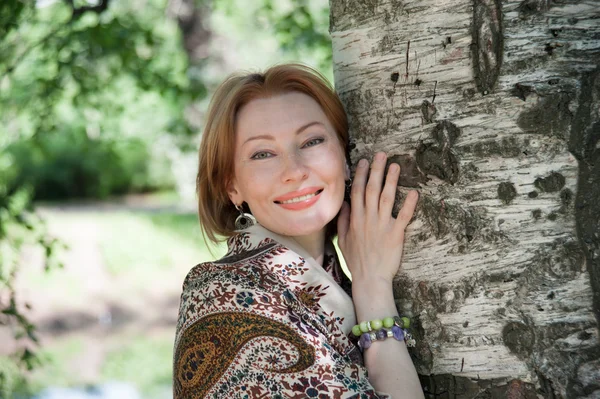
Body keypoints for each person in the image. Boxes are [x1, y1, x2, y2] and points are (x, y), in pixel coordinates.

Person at [173, 63, 424, 398]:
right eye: (262, 153)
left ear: (344, 156)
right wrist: (375, 287)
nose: (294, 171)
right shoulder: (223, 298)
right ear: (232, 186)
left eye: (312, 141)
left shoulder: (337, 280)